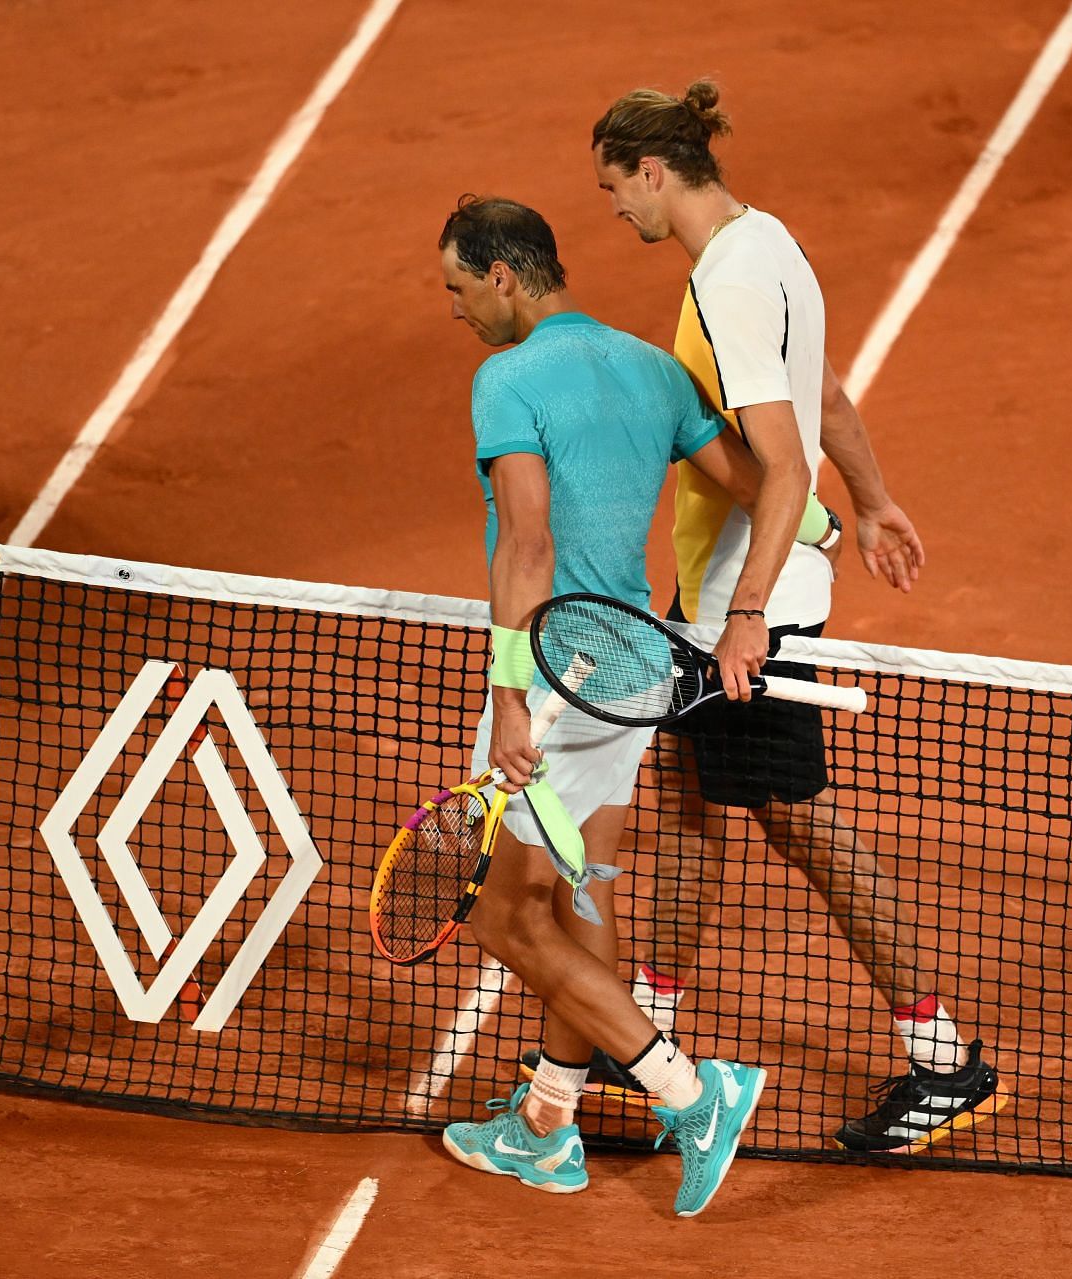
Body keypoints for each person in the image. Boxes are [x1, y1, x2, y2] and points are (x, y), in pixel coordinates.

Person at [578, 80, 1009, 1154]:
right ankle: (653, 1042)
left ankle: (943, 1057)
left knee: (802, 823)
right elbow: (826, 401)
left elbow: (777, 462)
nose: (614, 211)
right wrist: (869, 502)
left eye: (615, 189)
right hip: (712, 597)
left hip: (742, 605)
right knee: (683, 801)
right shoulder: (770, 244)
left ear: (655, 171)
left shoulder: (726, 282)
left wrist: (750, 613)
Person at [433, 194, 836, 1214]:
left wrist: (512, 698)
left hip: (561, 683)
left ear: (505, 278)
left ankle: (691, 1092)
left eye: (459, 289)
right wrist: (831, 526)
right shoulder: (655, 371)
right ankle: (547, 1125)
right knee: (582, 896)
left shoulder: (506, 379)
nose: (457, 311)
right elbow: (757, 482)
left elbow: (528, 546)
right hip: (638, 678)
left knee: (497, 913)